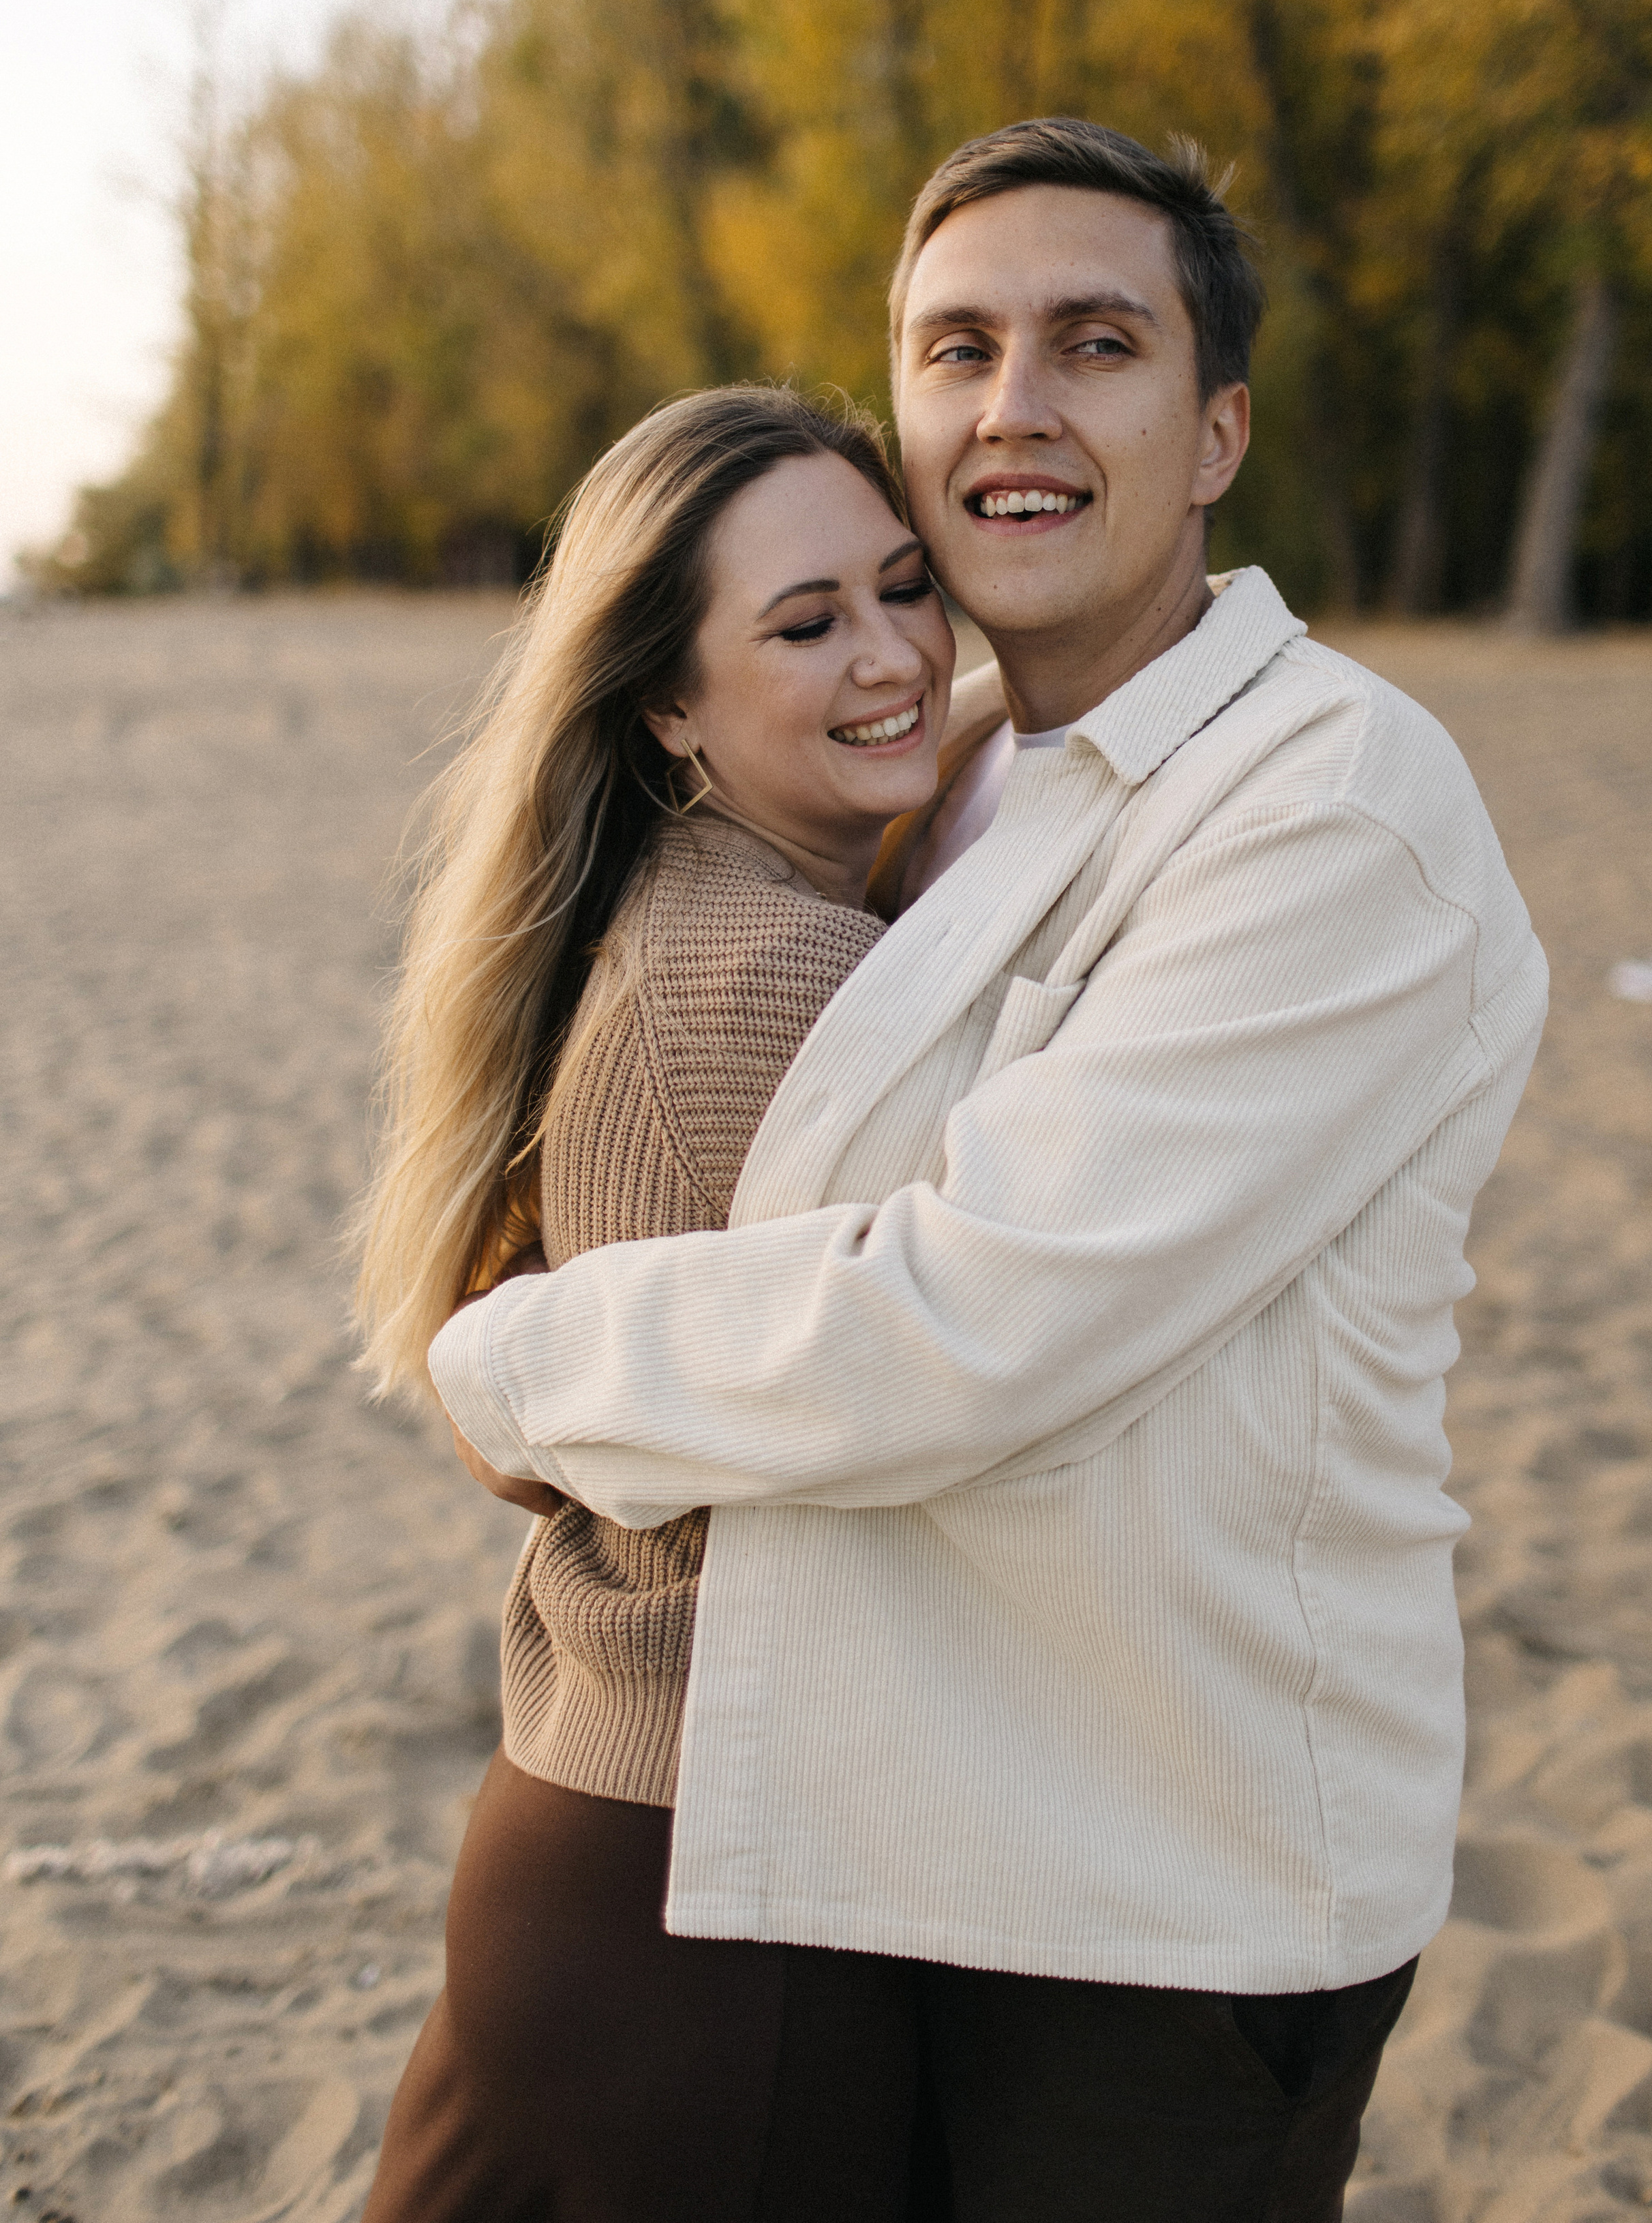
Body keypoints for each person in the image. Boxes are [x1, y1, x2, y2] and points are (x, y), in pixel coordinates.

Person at [429, 117, 1550, 2218]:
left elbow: (969, 1316)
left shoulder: (1335, 807)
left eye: (1093, 344)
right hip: (926, 1848)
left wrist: (518, 1366)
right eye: (957, 350)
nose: (1013, 407)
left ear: (1216, 432)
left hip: (1175, 1882)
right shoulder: (951, 774)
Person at [353, 387, 961, 2220]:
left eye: (907, 586)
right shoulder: (786, 984)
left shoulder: (668, 906)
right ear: (668, 707)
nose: (893, 655)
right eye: (806, 623)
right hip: (718, 1909)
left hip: (589, 1843)